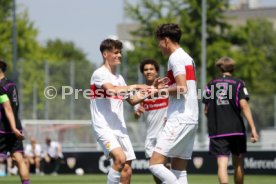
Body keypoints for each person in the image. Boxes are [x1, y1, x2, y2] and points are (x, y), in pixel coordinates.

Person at [90, 39, 164, 184]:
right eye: (115, 53)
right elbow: (111, 90)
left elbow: (133, 100)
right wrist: (137, 85)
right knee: (120, 159)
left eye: (120, 53)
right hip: (103, 127)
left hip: (119, 127)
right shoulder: (99, 73)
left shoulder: (120, 78)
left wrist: (153, 90)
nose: (119, 55)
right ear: (105, 54)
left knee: (127, 168)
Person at [149, 23, 198, 184]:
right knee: (178, 169)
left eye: (159, 41)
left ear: (166, 40)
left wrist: (157, 92)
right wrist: (167, 86)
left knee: (155, 164)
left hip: (180, 118)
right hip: (190, 118)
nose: (159, 46)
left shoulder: (175, 57)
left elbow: (182, 88)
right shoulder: (186, 57)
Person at [202, 57, 259, 184]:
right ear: (233, 68)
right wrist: (253, 129)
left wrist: (215, 120)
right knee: (238, 163)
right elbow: (244, 106)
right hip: (236, 130)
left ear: (219, 68)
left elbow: (206, 111)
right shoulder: (239, 83)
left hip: (218, 131)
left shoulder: (210, 85)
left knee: (222, 164)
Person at [134, 59, 168, 184]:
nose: (148, 71)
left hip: (165, 133)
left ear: (156, 71)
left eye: (151, 69)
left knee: (165, 166)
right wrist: (137, 113)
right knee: (154, 168)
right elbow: (136, 115)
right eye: (145, 69)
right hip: (150, 135)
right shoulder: (140, 93)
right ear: (143, 73)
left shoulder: (165, 88)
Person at [0, 59, 30, 183]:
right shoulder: (11, 85)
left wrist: (12, 128)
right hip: (16, 126)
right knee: (18, 158)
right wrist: (15, 128)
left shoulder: (0, 87)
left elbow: (7, 108)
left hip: (3, 129)